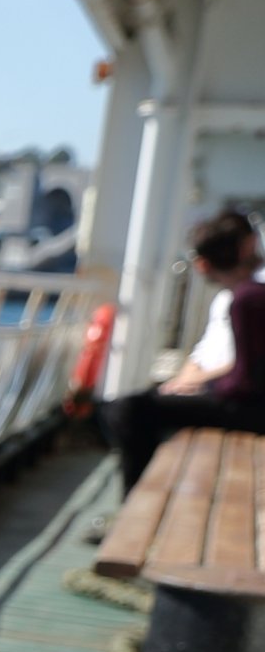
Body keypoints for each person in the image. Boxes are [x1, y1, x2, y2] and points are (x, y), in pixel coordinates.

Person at [111, 209, 265, 492]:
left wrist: (203, 383)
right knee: (133, 407)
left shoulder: (250, 295)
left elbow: (245, 369)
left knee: (132, 410)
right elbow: (207, 351)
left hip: (247, 403)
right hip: (231, 392)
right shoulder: (233, 296)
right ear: (249, 245)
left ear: (202, 264)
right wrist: (185, 380)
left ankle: (133, 505)